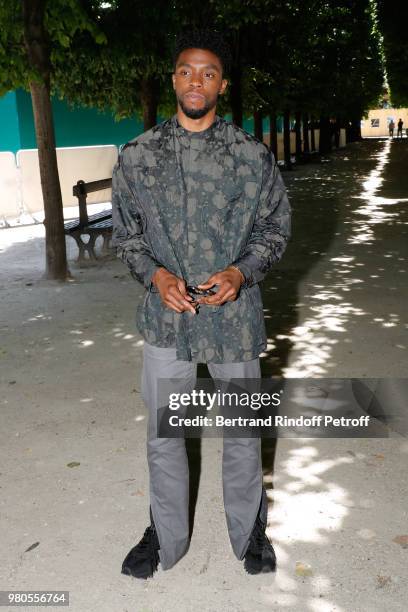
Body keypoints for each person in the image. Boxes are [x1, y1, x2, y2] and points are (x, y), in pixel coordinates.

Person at [111, 29, 291, 579]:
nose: (197, 80)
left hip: (233, 318)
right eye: (187, 70)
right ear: (174, 79)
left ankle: (249, 529)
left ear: (222, 84)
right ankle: (164, 535)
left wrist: (242, 270)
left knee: (242, 428)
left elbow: (274, 228)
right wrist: (156, 275)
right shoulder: (138, 156)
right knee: (165, 433)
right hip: (168, 319)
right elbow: (127, 236)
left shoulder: (250, 156)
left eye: (208, 72)